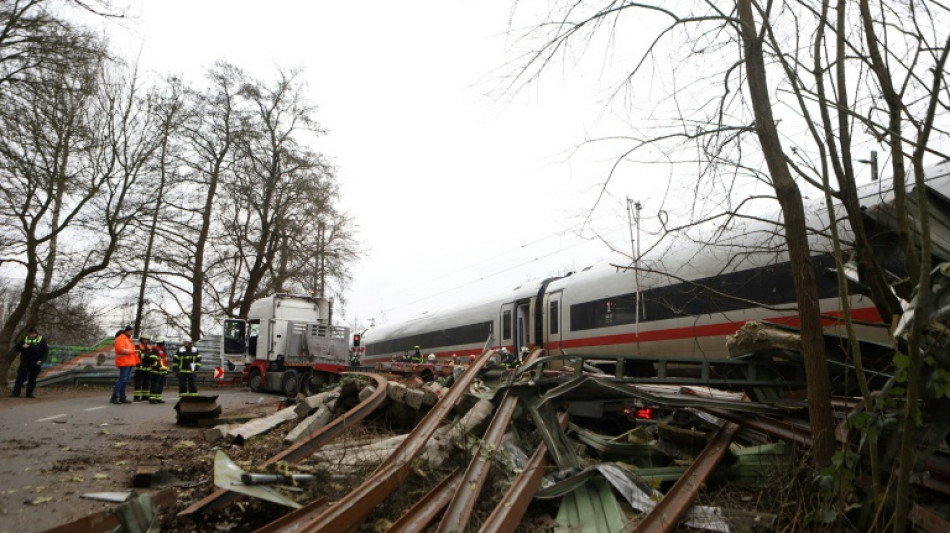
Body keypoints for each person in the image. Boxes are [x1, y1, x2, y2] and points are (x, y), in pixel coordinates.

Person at [11, 327, 48, 398]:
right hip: (25, 361)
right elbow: (16, 347)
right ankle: (16, 392)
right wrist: (22, 347)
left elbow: (45, 351)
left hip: (36, 362)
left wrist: (42, 360)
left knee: (32, 378)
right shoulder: (25, 339)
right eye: (30, 334)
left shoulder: (42, 340)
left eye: (33, 334)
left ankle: (29, 393)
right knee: (20, 377)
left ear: (36, 333)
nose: (31, 335)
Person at [111, 325, 138, 404]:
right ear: (126, 331)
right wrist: (133, 352)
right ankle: (115, 396)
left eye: (132, 331)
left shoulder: (127, 339)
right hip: (124, 362)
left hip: (128, 362)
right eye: (130, 331)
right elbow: (121, 350)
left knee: (125, 380)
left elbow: (127, 350)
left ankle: (122, 397)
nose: (131, 333)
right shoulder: (121, 339)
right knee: (122, 379)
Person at [146, 338, 167, 404]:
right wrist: (157, 367)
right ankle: (152, 399)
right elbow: (152, 360)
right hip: (156, 371)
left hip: (162, 370)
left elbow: (164, 360)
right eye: (164, 342)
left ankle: (158, 398)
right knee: (155, 385)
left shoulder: (163, 350)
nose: (165, 343)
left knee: (160, 385)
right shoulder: (155, 349)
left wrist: (165, 368)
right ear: (161, 342)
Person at [133, 333, 153, 402]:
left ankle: (145, 396)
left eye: (146, 339)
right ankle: (137, 397)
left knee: (146, 383)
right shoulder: (137, 346)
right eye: (144, 339)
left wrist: (146, 356)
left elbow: (151, 356)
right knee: (138, 383)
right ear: (141, 339)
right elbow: (138, 355)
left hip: (148, 368)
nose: (145, 340)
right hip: (139, 367)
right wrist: (146, 356)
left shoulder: (150, 347)